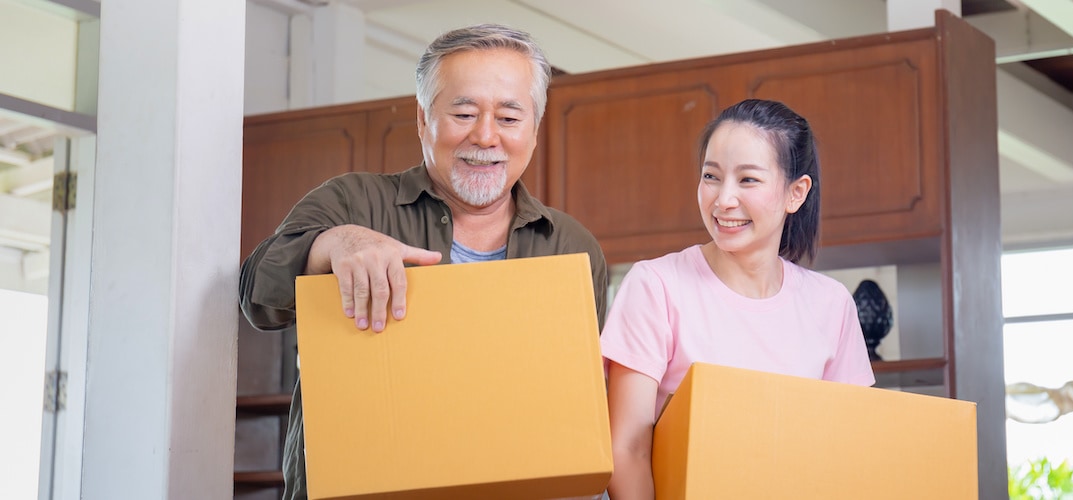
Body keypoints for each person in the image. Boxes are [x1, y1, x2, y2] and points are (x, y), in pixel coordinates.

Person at [238, 24, 609, 500]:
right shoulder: (352, 202)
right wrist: (333, 244)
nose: (486, 135)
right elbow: (255, 296)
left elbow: (577, 400)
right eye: (464, 112)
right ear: (423, 119)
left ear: (533, 129)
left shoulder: (571, 245)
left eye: (510, 117)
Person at [599, 99, 875, 499]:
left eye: (747, 180)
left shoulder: (831, 304)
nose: (723, 199)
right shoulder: (656, 285)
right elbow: (627, 449)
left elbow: (850, 451)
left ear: (795, 193)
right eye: (711, 176)